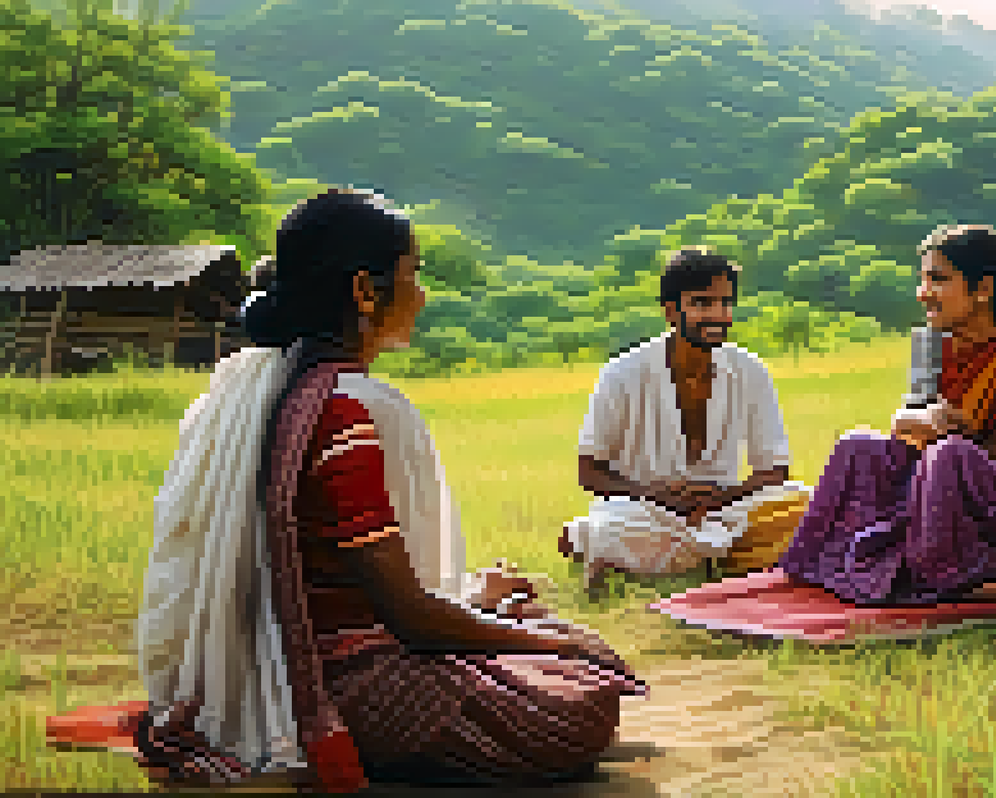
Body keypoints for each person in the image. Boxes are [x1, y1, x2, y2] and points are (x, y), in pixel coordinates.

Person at [132, 189, 645, 791]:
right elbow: (411, 616)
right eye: (414, 274)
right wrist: (538, 641)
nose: (422, 294)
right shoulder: (348, 412)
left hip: (305, 659)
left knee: (552, 637)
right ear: (364, 292)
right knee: (580, 708)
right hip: (351, 681)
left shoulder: (286, 390)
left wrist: (510, 620)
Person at [773, 224, 996, 605]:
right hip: (934, 492)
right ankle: (847, 562)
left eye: (939, 280)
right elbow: (908, 423)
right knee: (856, 444)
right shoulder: (932, 347)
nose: (924, 294)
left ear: (983, 290)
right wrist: (918, 422)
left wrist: (946, 433)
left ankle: (963, 576)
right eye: (923, 280)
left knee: (947, 455)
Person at [560, 247, 812, 590]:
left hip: (725, 509)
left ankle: (651, 558)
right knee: (609, 527)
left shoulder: (750, 370)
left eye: (724, 303)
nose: (718, 315)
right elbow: (589, 472)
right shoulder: (622, 372)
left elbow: (775, 470)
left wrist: (718, 498)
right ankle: (712, 557)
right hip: (646, 511)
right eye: (702, 303)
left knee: (806, 504)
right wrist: (661, 496)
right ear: (671, 311)